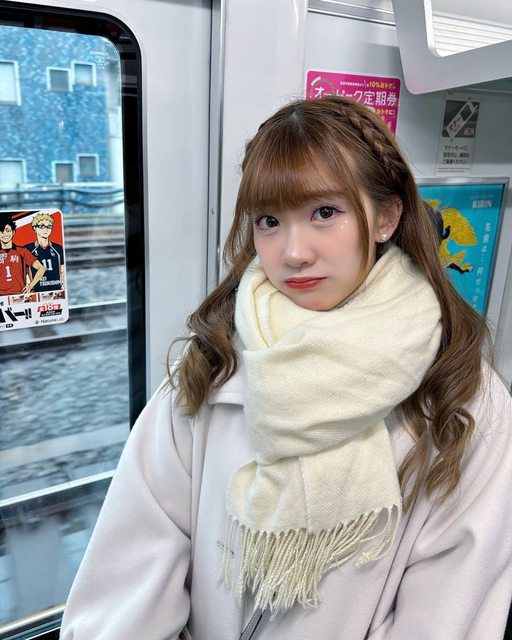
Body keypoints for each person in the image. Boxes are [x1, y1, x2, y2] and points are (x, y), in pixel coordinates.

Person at [60, 96, 512, 640]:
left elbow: (446, 616)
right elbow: (128, 580)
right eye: (270, 221)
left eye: (324, 213)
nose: (294, 252)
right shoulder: (214, 364)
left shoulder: (465, 398)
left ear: (386, 217)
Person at [0, 216, 46, 295]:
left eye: (8, 230)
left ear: (13, 232)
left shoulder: (22, 251)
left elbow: (42, 268)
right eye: (1, 231)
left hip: (19, 295)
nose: (5, 234)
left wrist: (30, 285)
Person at [26, 212, 65, 292]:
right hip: (36, 291)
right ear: (34, 227)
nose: (46, 229)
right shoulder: (27, 249)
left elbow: (62, 271)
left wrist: (64, 289)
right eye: (42, 226)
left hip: (56, 289)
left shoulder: (58, 248)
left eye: (49, 226)